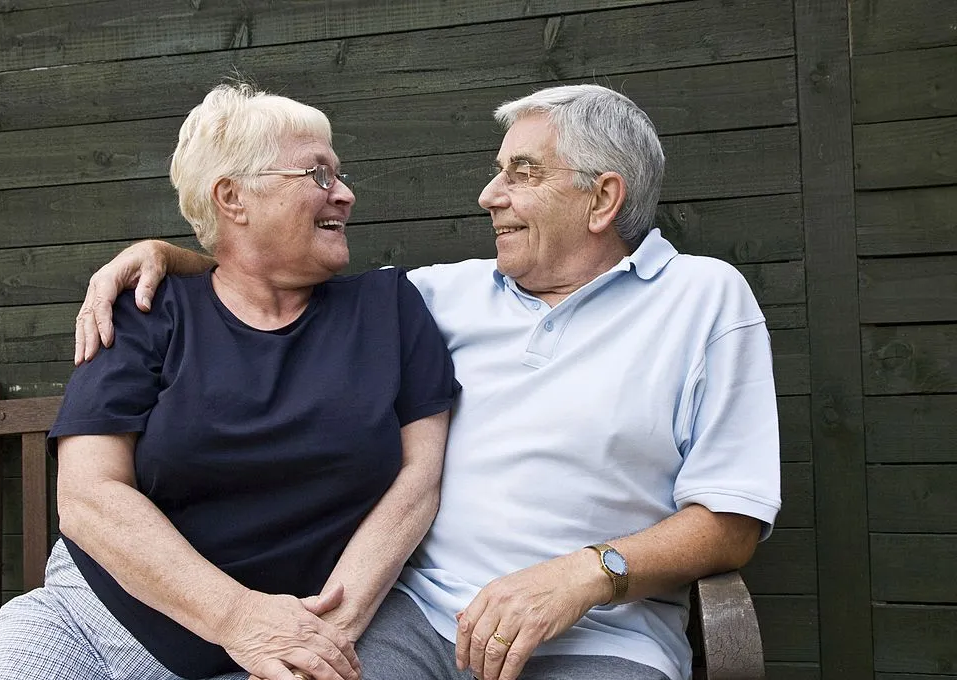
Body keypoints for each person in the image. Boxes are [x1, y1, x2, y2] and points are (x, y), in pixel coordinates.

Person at [75, 84, 781, 680]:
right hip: (415, 623)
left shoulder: (704, 300)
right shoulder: (438, 295)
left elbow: (730, 523)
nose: (488, 196)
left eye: (522, 173)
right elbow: (270, 274)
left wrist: (584, 574)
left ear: (601, 200)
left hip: (599, 638)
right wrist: (165, 255)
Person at [0, 84, 459, 680]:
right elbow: (87, 497)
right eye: (319, 174)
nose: (346, 194)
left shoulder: (389, 309)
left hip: (303, 630)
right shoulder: (147, 309)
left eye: (339, 173)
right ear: (233, 197)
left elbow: (417, 484)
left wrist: (320, 637)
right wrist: (240, 619)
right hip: (99, 623)